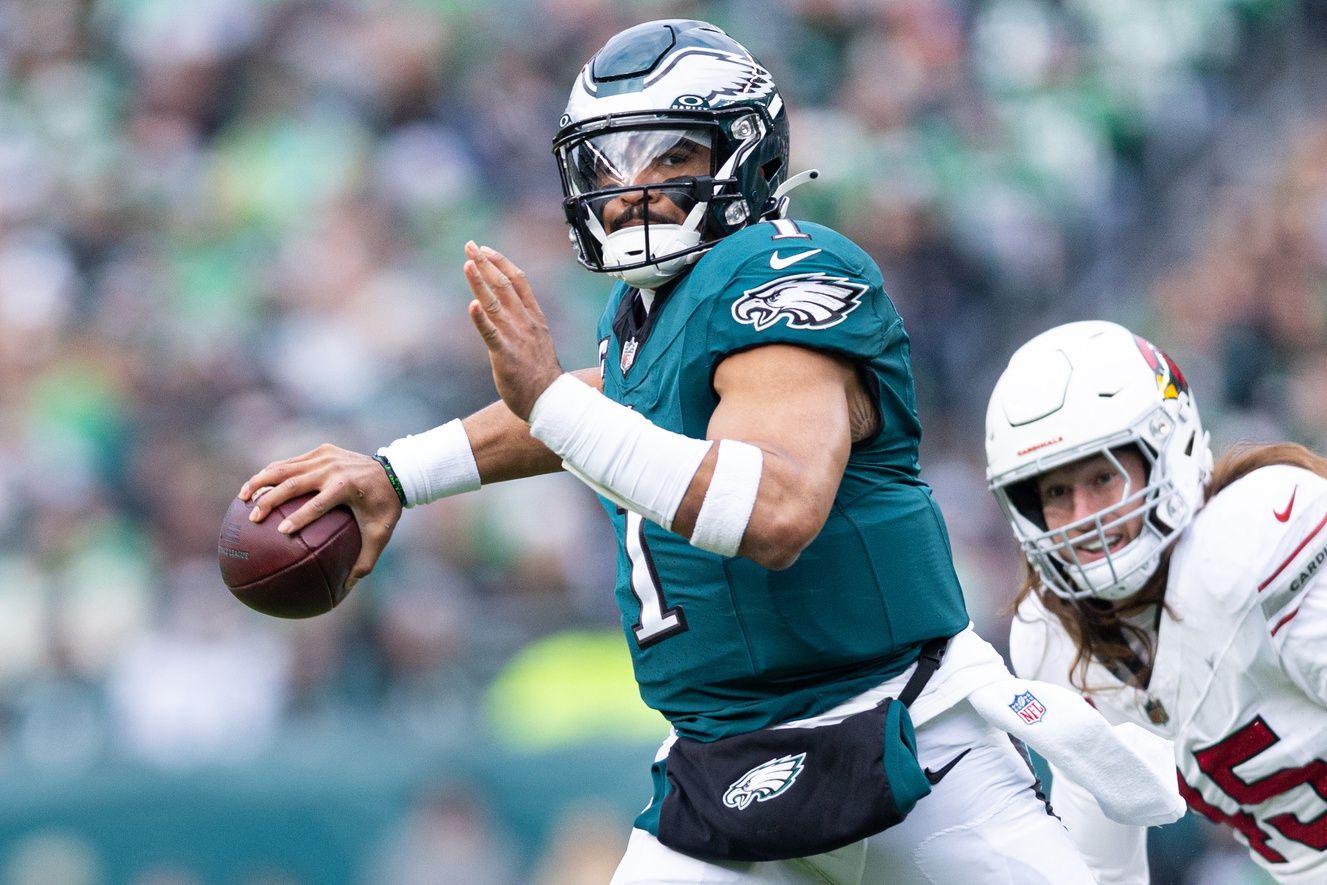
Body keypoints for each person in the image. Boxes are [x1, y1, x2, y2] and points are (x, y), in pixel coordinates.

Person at [241, 21, 1175, 883]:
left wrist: (554, 404)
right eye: (609, 163)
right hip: (720, 764)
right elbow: (615, 406)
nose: (630, 188)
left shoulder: (786, 275)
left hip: (903, 733)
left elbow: (770, 513)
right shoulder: (651, 314)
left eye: (670, 156)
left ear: (746, 155)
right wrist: (403, 472)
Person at [986, 319, 1327, 885]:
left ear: (1168, 449)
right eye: (1054, 493)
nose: (1083, 518)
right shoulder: (1052, 636)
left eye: (1103, 477)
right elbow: (1100, 864)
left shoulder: (1261, 539)